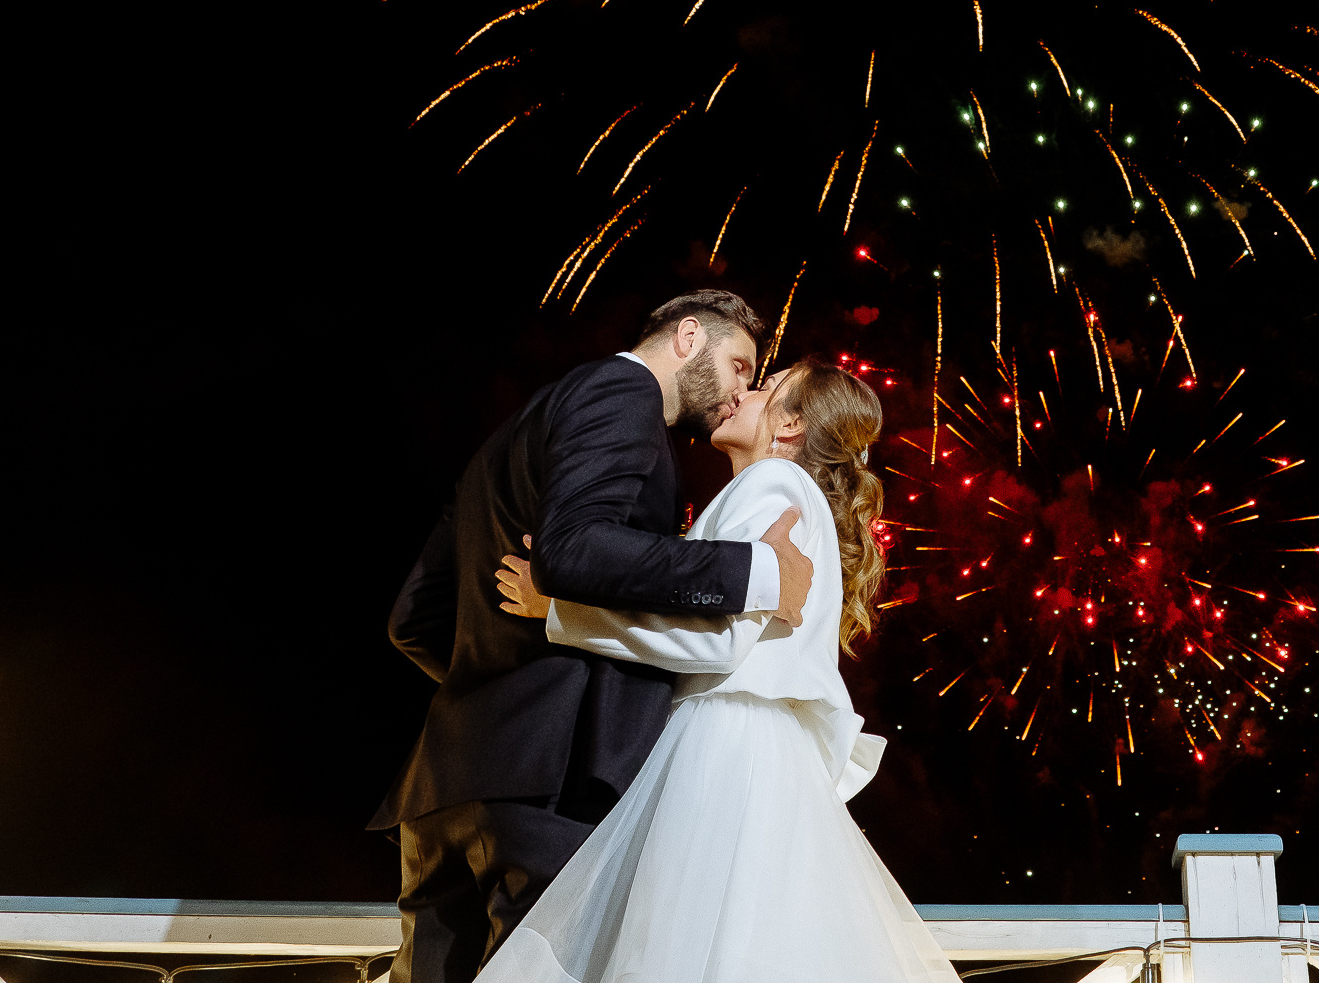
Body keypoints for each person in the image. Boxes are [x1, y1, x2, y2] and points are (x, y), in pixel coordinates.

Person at [370, 291, 817, 983]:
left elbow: (414, 620)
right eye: (739, 365)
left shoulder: (515, 432)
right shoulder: (622, 392)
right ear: (688, 336)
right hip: (551, 779)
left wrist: (499, 687)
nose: (739, 391)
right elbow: (573, 549)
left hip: (447, 786)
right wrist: (753, 570)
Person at [480, 357, 957, 983]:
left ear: (790, 426)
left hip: (725, 745)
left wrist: (564, 609)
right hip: (755, 747)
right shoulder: (786, 495)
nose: (743, 393)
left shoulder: (769, 486)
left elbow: (718, 645)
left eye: (766, 388)